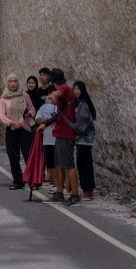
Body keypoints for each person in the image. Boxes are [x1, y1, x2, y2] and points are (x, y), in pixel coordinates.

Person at [48, 67, 80, 205]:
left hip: (66, 133)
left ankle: (75, 196)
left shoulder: (64, 88)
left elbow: (59, 93)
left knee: (69, 165)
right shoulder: (63, 88)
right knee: (59, 164)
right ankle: (60, 194)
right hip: (60, 132)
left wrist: (52, 96)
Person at [0, 74, 35, 189]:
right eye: (10, 81)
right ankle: (18, 181)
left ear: (18, 83)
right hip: (11, 130)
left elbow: (32, 108)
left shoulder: (24, 95)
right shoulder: (4, 98)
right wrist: (11, 123)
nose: (13, 83)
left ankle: (33, 181)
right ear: (7, 83)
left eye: (15, 81)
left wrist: (30, 114)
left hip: (24, 129)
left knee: (28, 155)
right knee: (13, 156)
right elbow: (1, 115)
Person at [73, 80, 97, 199]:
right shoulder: (82, 102)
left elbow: (80, 123)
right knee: (86, 164)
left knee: (83, 164)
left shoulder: (83, 103)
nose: (76, 91)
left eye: (78, 89)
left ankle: (86, 191)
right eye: (75, 88)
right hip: (85, 138)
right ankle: (89, 191)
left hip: (83, 138)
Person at [33, 90, 58, 182]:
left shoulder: (61, 107)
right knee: (50, 162)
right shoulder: (44, 107)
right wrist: (46, 122)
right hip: (47, 138)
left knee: (59, 163)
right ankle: (54, 182)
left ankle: (63, 184)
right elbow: (37, 118)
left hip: (57, 138)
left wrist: (48, 122)